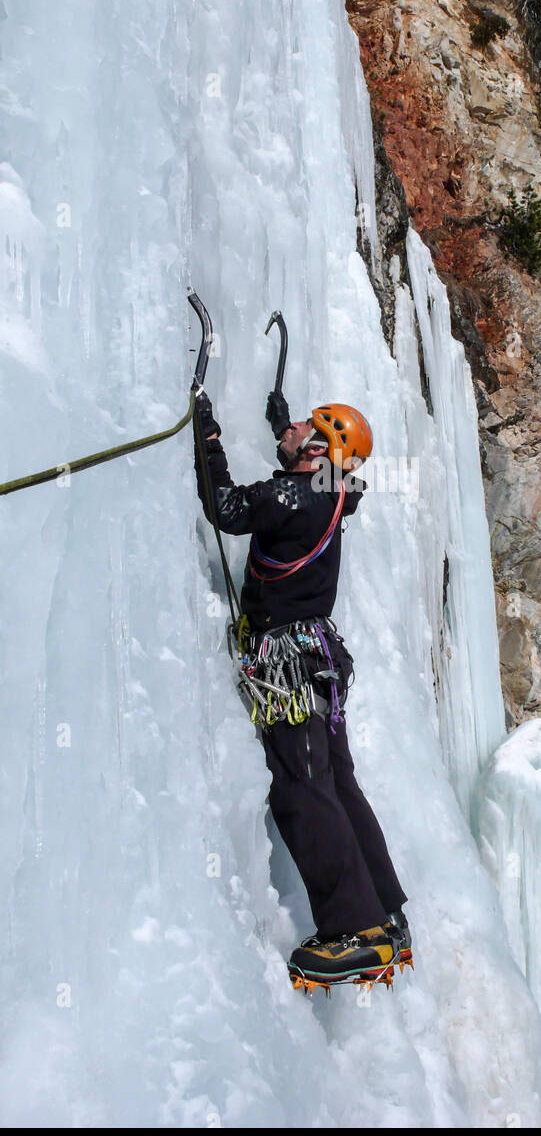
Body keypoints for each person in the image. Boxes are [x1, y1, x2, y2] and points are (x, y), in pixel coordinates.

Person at [193, 387, 410, 988]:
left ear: (316, 449)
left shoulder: (300, 493)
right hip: (318, 664)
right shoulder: (329, 495)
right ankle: (384, 914)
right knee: (336, 783)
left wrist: (207, 438)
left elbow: (232, 509)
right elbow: (288, 496)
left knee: (301, 789)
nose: (290, 425)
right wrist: (281, 432)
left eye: (302, 425)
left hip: (290, 666)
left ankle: (356, 930)